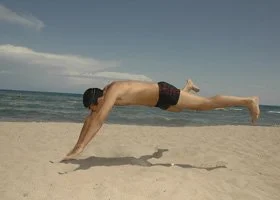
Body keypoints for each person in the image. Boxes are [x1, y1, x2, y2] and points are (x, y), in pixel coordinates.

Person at [62, 79, 260, 161]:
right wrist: (76, 147)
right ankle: (187, 88)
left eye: (93, 107)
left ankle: (248, 100)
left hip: (164, 93)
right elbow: (90, 120)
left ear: (98, 100)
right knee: (180, 111)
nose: (94, 111)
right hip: (158, 102)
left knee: (205, 104)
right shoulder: (102, 97)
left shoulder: (112, 91)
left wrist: (82, 148)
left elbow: (99, 119)